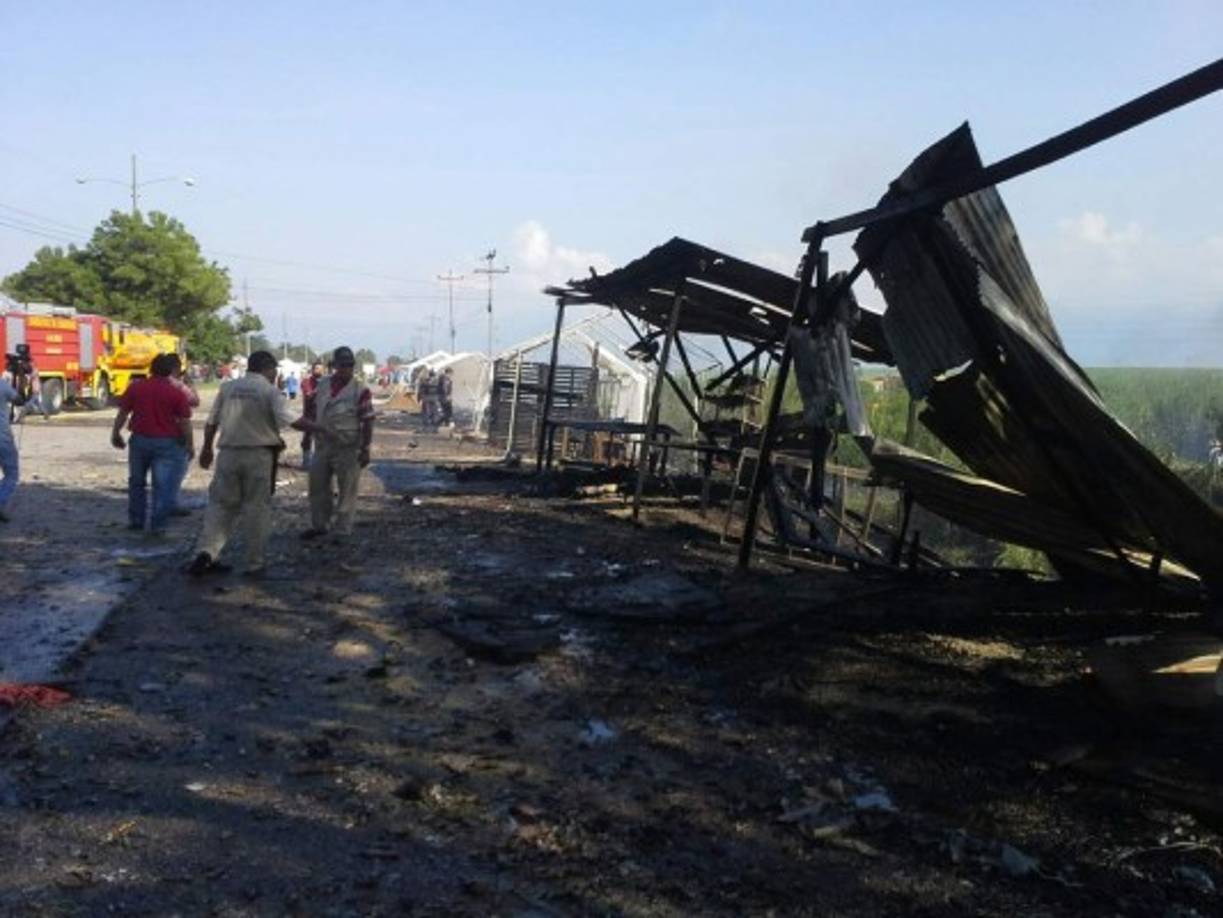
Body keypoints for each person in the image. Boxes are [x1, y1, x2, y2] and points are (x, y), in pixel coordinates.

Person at [190, 350, 314, 576]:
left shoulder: (227, 388)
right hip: (258, 456)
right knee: (256, 508)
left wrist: (207, 449)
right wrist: (321, 429)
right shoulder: (269, 391)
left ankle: (206, 553)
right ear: (268, 369)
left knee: (221, 506)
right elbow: (293, 420)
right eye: (274, 370)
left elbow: (211, 422)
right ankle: (255, 563)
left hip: (228, 454)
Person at [111, 355, 194, 534]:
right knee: (162, 485)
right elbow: (185, 421)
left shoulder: (136, 388)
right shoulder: (176, 392)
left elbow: (123, 412)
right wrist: (190, 444)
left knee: (136, 482)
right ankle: (158, 525)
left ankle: (136, 521)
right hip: (167, 443)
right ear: (171, 371)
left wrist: (116, 432)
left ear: (151, 369)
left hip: (139, 440)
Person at [301, 346, 374, 540]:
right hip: (323, 444)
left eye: (349, 365)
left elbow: (367, 420)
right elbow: (310, 409)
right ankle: (320, 524)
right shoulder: (322, 385)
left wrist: (366, 448)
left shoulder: (360, 390)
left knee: (347, 489)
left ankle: (342, 529)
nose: (345, 369)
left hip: (348, 446)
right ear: (334, 366)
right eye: (342, 365)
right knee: (317, 487)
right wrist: (307, 435)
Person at [163, 354, 200, 516]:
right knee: (177, 470)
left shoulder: (149, 383)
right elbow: (194, 401)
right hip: (175, 432)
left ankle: (162, 504)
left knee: (161, 473)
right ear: (175, 368)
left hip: (152, 433)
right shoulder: (178, 386)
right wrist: (190, 384)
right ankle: (170, 504)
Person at [0, 361, 31, 523]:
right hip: (2, 437)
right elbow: (20, 400)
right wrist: (21, 376)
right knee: (11, 474)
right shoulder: (2, 386)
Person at [300, 360, 325, 469]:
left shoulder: (327, 382)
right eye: (316, 368)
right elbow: (309, 394)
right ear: (312, 369)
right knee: (307, 439)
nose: (318, 371)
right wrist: (318, 389)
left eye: (320, 368)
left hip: (322, 416)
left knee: (322, 439)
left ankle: (320, 463)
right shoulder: (306, 381)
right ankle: (306, 462)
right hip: (309, 415)